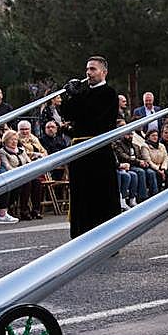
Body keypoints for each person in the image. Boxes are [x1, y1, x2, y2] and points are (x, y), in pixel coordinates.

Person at [59, 56, 120, 238]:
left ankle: (105, 238)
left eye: (93, 69)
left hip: (98, 151)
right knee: (80, 193)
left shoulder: (109, 93)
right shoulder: (84, 93)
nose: (88, 73)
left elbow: (94, 117)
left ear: (104, 72)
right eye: (87, 69)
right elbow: (68, 113)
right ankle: (80, 235)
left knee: (100, 194)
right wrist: (69, 94)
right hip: (80, 151)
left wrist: (77, 97)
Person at [0, 129, 43, 220]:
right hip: (14, 176)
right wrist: (19, 173)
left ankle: (36, 210)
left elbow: (28, 162)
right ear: (5, 140)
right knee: (26, 183)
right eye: (11, 139)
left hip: (25, 174)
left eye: (16, 139)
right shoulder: (2, 152)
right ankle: (24, 211)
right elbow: (7, 166)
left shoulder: (21, 150)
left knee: (37, 182)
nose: (14, 142)